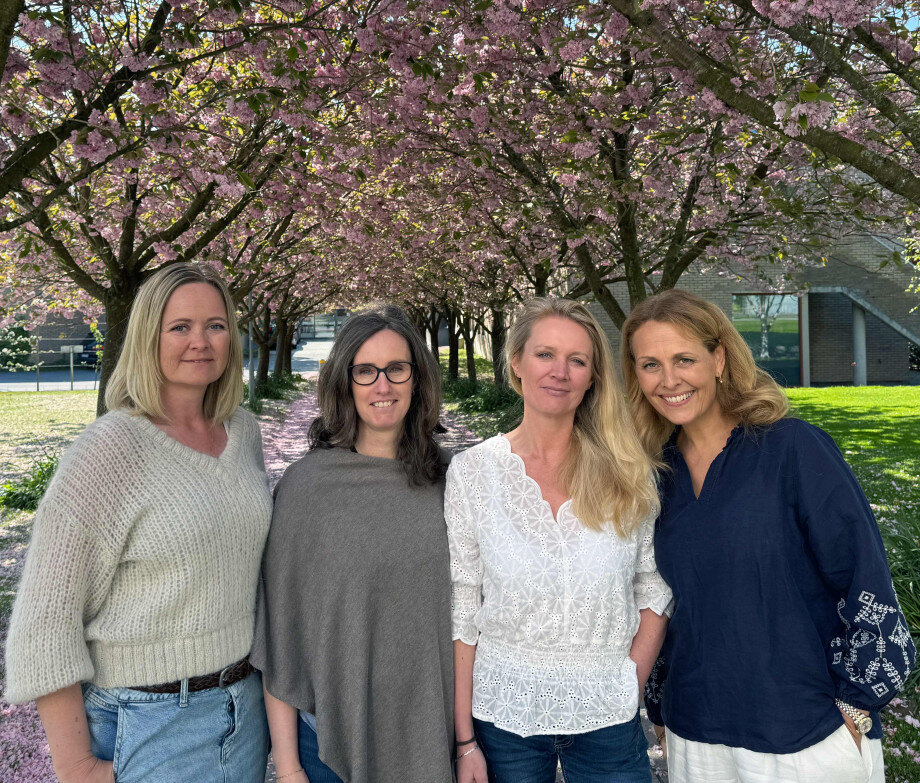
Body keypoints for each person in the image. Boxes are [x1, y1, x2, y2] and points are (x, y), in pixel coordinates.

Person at [620, 288, 916, 783]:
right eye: (650, 364)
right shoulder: (653, 476)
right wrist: (662, 711)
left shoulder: (792, 449)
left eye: (684, 359)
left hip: (804, 733)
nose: (668, 380)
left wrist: (858, 704)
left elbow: (864, 579)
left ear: (719, 359)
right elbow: (664, 603)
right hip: (698, 733)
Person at [4, 263, 272, 783]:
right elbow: (45, 622)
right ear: (149, 336)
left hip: (244, 709)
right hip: (147, 722)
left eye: (216, 325)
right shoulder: (109, 452)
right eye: (180, 327)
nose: (201, 341)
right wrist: (78, 767)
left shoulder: (244, 433)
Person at [448, 297, 672, 783]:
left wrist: (626, 685)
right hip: (502, 716)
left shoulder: (628, 472)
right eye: (545, 354)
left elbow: (653, 587)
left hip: (608, 718)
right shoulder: (473, 473)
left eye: (578, 360)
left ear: (593, 377)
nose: (560, 372)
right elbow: (463, 605)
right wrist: (464, 740)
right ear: (515, 364)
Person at [251, 303, 454, 783]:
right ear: (344, 381)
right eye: (365, 371)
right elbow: (283, 634)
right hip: (326, 746)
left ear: (417, 379)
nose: (382, 386)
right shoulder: (307, 489)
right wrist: (287, 768)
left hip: (433, 733)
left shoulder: (452, 481)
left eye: (396, 369)